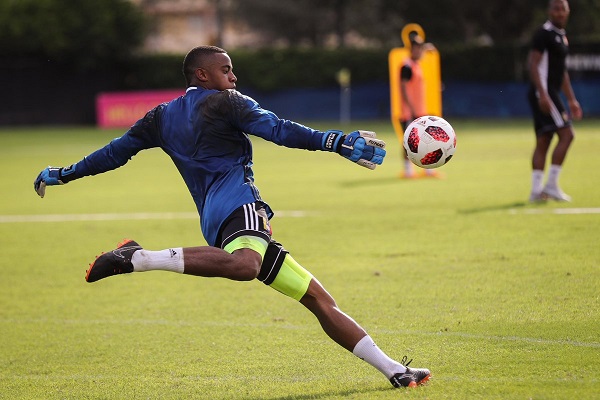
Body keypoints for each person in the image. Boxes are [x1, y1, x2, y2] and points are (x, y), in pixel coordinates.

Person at [33, 46, 430, 389]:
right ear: (202, 74)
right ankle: (139, 257)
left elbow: (113, 153)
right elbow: (277, 129)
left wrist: (65, 173)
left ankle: (394, 371)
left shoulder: (160, 116)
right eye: (226, 69)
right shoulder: (227, 101)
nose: (233, 76)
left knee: (317, 299)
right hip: (241, 207)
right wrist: (336, 141)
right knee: (245, 266)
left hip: (217, 221)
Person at [527, 0, 582, 202]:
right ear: (549, 11)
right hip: (544, 92)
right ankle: (550, 186)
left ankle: (536, 192)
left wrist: (571, 99)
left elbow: (562, 72)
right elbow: (533, 64)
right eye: (556, 9)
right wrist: (542, 94)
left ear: (568, 12)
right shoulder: (544, 34)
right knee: (567, 135)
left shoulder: (561, 36)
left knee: (544, 140)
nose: (559, 13)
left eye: (563, 9)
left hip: (550, 91)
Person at [399, 34, 437, 179]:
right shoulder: (406, 66)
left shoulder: (416, 64)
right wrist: (411, 108)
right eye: (419, 49)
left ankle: (428, 169)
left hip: (420, 111)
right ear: (413, 49)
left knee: (426, 140)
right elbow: (403, 89)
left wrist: (427, 48)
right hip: (409, 112)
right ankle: (408, 171)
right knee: (409, 141)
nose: (421, 52)